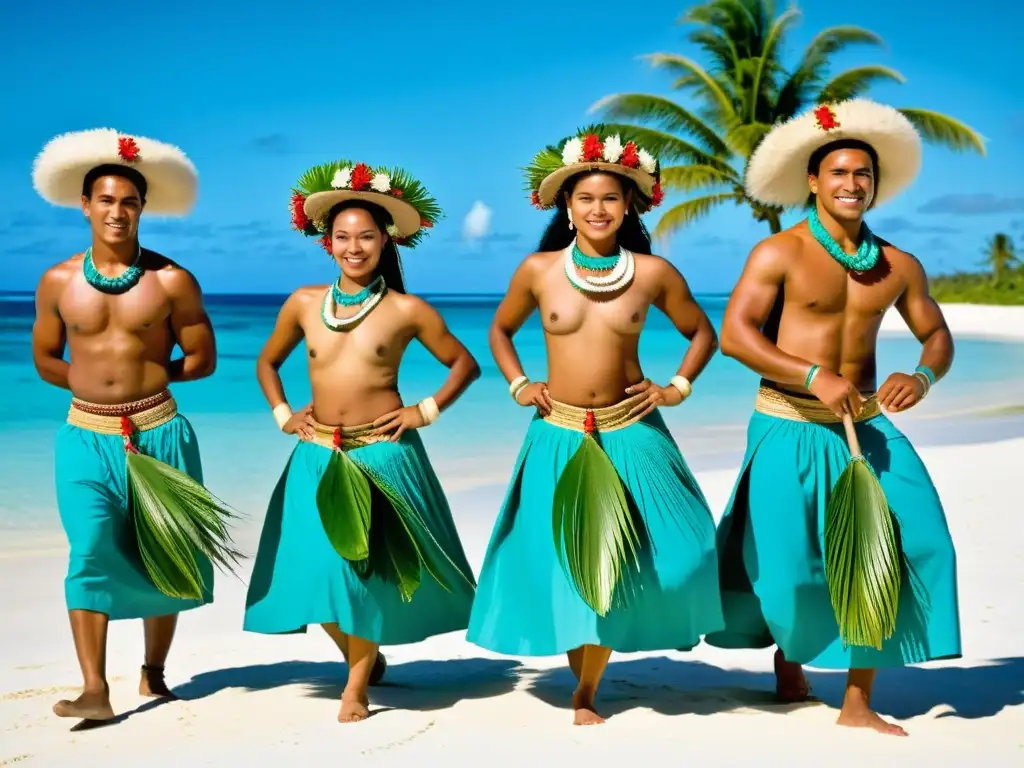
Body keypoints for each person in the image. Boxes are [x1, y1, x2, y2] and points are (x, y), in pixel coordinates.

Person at [705, 98, 961, 736]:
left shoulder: (898, 264)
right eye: (839, 173)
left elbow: (938, 337)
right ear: (814, 182)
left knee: (920, 543)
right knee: (792, 572)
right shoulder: (780, 253)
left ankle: (855, 700)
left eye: (863, 175)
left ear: (875, 185)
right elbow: (735, 336)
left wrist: (921, 375)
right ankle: (789, 659)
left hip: (869, 425)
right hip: (787, 420)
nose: (852, 185)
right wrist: (813, 373)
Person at [466, 127, 725, 725]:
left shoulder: (653, 273)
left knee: (685, 545)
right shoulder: (538, 269)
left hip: (632, 430)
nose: (598, 209)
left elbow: (703, 334)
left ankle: (600, 671)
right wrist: (519, 384)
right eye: (585, 199)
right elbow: (500, 331)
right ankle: (585, 691)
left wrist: (676, 387)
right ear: (566, 207)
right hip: (557, 431)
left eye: (610, 198)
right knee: (565, 558)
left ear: (629, 204)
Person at [243, 158, 479, 723]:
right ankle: (361, 657)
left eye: (366, 236)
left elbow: (463, 365)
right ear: (328, 243)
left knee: (365, 574)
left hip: (383, 455)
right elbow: (268, 362)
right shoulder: (303, 302)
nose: (355, 247)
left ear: (386, 241)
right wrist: (282, 415)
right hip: (316, 453)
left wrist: (424, 412)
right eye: (343, 237)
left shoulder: (406, 309)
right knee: (313, 569)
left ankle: (355, 687)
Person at [30, 128, 242, 722]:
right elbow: (46, 356)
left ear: (143, 208)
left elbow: (203, 360)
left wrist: (152, 373)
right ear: (85, 205)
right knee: (91, 547)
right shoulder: (57, 281)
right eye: (105, 200)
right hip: (84, 437)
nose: (117, 211)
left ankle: (154, 671)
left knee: (165, 551)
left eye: (129, 201)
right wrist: (81, 383)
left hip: (160, 431)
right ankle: (94, 690)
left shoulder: (173, 281)